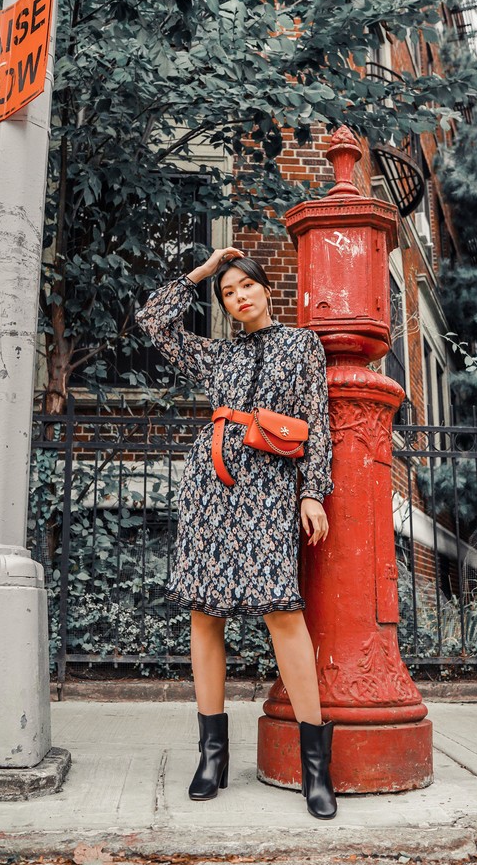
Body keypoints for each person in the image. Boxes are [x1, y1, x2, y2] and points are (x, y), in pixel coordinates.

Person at [135, 246, 336, 819]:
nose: (238, 296)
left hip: (270, 485)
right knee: (205, 612)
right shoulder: (215, 355)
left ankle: (315, 769)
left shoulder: (302, 345)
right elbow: (153, 321)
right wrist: (199, 273)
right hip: (211, 486)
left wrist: (311, 491)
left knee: (282, 611)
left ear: (266, 289)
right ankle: (211, 757)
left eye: (246, 285)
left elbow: (316, 423)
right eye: (227, 292)